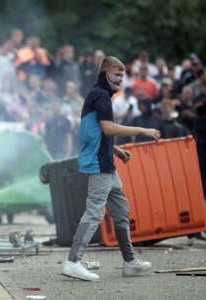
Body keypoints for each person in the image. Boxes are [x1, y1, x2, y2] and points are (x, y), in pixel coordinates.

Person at [62, 56, 161, 281]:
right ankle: (72, 262)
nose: (120, 79)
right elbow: (107, 128)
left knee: (121, 210)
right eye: (116, 74)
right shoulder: (101, 96)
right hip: (99, 164)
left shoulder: (100, 95)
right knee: (95, 210)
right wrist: (143, 131)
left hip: (107, 162)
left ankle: (130, 262)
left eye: (122, 75)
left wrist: (115, 151)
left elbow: (95, 131)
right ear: (104, 73)